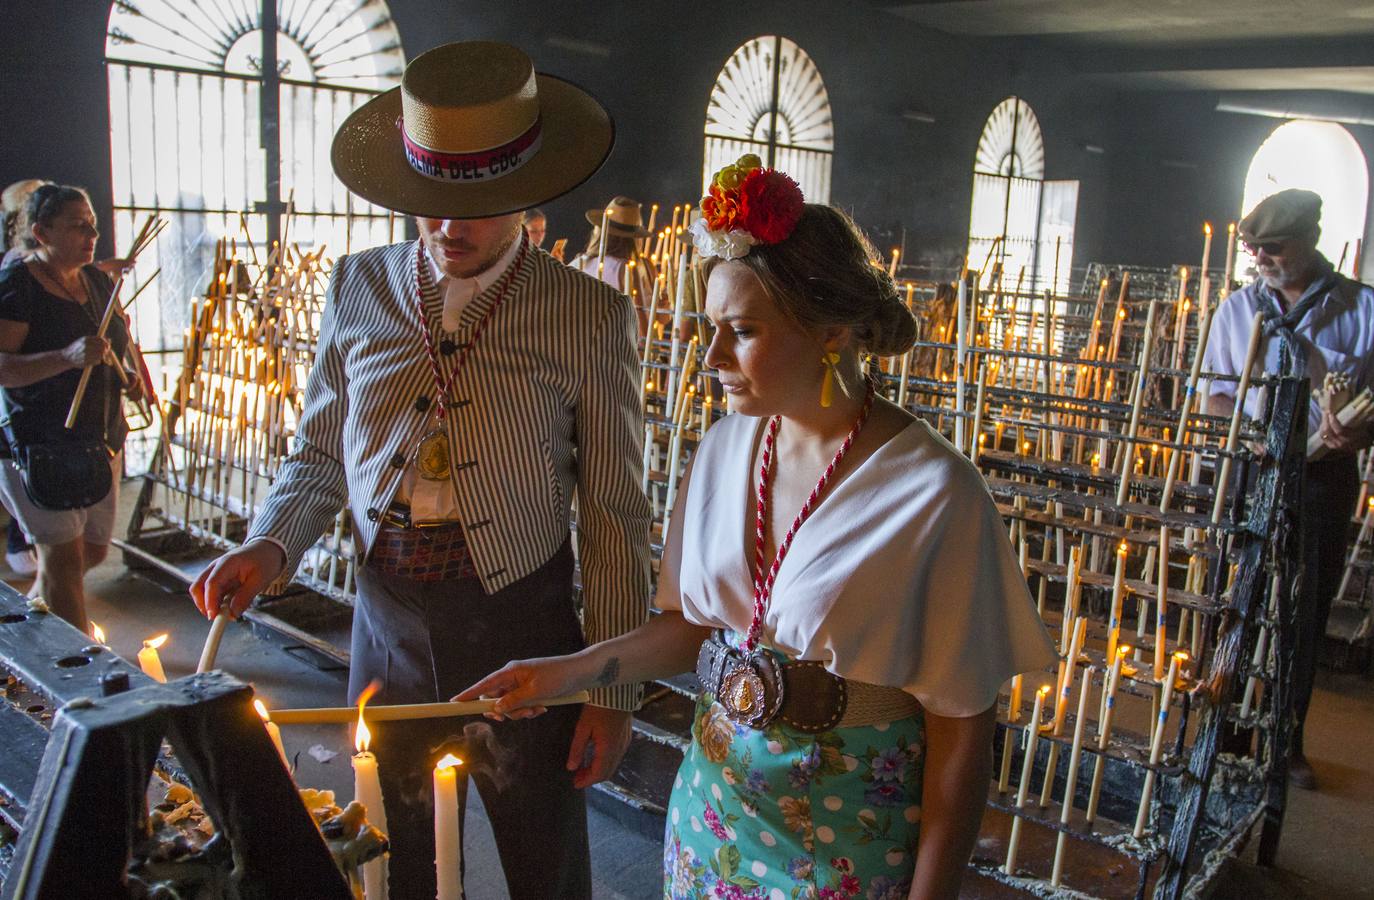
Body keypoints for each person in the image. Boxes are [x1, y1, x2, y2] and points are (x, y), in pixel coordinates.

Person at [461, 157, 1056, 899]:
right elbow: (691, 629)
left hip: (847, 833)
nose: (711, 356)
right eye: (712, 328)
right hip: (714, 813)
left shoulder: (935, 492)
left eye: (741, 331)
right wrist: (564, 672)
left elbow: (962, 729)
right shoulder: (725, 448)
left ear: (831, 332)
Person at [189, 42, 650, 899]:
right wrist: (268, 545)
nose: (450, 228)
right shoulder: (357, 287)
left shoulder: (588, 313)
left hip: (523, 622)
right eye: (430, 205)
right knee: (394, 854)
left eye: (477, 207)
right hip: (388, 618)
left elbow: (615, 512)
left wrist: (610, 691)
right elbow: (321, 451)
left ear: (528, 194)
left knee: (543, 859)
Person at [1203, 188, 1374, 791]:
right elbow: (1214, 393)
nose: (1262, 260)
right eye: (1254, 249)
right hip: (1251, 470)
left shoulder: (1363, 309)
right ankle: (1222, 731)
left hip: (1325, 475)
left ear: (1311, 240)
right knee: (1234, 597)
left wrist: (1358, 430)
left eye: (1274, 247)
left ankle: (1285, 739)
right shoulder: (1237, 310)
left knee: (1303, 607)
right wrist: (1246, 431)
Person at [0, 184, 136, 631]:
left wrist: (127, 375)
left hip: (98, 439)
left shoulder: (96, 281)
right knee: (61, 563)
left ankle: (24, 634)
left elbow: (114, 342)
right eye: (78, 226)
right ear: (41, 232)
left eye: (92, 224)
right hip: (39, 444)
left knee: (91, 551)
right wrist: (66, 357)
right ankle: (85, 666)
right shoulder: (17, 287)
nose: (92, 234)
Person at [572, 195, 651, 292]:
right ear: (634, 240)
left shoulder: (577, 262)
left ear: (599, 231)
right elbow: (640, 301)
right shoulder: (626, 268)